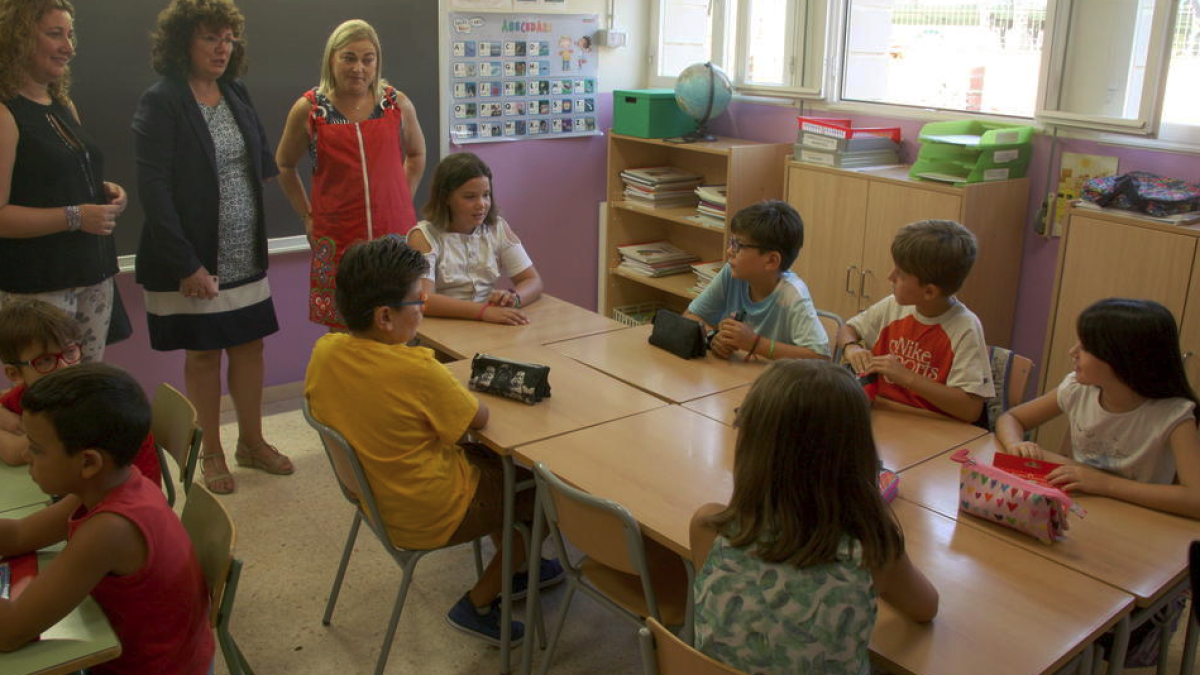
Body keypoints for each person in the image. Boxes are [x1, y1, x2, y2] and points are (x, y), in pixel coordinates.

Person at [304, 236, 562, 645]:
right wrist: (449, 386)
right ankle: (480, 600)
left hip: (376, 496)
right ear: (386, 317)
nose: (424, 307)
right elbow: (478, 418)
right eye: (417, 301)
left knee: (502, 472)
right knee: (546, 495)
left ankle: (514, 565)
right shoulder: (416, 370)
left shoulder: (326, 350)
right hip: (429, 510)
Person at [132, 0, 291, 495]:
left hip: (243, 252)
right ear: (183, 42)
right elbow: (153, 189)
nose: (222, 47)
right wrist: (187, 262)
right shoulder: (162, 100)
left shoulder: (234, 91)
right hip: (193, 256)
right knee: (204, 355)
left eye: (229, 37)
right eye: (210, 37)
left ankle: (252, 442)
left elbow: (259, 163)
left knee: (250, 345)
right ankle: (212, 453)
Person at [690, 359, 938, 674]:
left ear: (751, 446)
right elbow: (926, 607)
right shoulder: (873, 552)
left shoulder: (709, 527)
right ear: (857, 458)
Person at [0, 363, 213, 675]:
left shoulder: (110, 528)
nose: (26, 457)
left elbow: (10, 631)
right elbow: (20, 535)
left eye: (36, 449)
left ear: (88, 462)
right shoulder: (110, 483)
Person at [0, 0, 129, 363]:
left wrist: (105, 191)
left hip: (94, 274)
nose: (68, 47)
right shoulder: (5, 113)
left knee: (87, 392)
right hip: (40, 286)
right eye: (55, 34)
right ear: (18, 38)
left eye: (70, 35)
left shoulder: (62, 105)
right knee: (51, 397)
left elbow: (59, 179)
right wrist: (76, 215)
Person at [276, 19, 426, 330]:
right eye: (349, 57)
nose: (359, 67)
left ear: (377, 62)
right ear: (332, 58)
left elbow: (417, 155)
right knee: (346, 331)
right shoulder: (310, 110)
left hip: (393, 239)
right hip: (339, 235)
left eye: (367, 59)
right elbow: (284, 165)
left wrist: (401, 199)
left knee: (397, 325)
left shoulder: (396, 104)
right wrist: (306, 215)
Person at [998, 298, 1200, 519]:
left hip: (1138, 519)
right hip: (1082, 509)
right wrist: (1015, 443)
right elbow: (1011, 418)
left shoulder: (1174, 415)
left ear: (1122, 358)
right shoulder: (1077, 389)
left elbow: (1195, 499)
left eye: (1085, 347)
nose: (1072, 352)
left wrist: (1104, 484)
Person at [838, 219, 994, 423]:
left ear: (929, 291)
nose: (890, 276)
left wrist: (908, 378)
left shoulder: (965, 327)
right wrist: (851, 347)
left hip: (933, 426)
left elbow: (970, 409)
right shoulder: (893, 305)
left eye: (900, 274)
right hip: (886, 415)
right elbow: (847, 329)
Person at [0, 298, 161, 487]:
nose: (63, 367)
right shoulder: (39, 392)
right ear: (14, 373)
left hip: (129, 501)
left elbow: (13, 453)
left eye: (70, 352)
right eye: (45, 361)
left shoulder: (84, 405)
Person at [407, 152, 543, 326]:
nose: (481, 204)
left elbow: (533, 280)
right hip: (444, 328)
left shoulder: (497, 227)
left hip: (487, 322)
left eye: (486, 195)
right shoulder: (423, 236)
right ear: (446, 198)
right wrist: (483, 312)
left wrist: (512, 299)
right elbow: (424, 299)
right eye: (470, 197)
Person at [684, 200, 829, 360]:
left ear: (771, 261)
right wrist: (713, 337)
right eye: (731, 243)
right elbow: (692, 316)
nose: (730, 251)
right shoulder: (733, 273)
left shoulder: (792, 294)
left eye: (738, 245)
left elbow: (821, 358)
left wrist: (756, 344)